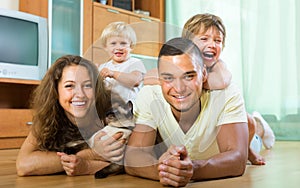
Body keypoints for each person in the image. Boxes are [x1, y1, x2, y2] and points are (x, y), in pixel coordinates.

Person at [125, 37, 249, 187]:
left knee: (254, 137)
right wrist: (165, 170)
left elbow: (238, 159)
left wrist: (192, 169)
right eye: (168, 78)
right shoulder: (149, 95)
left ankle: (256, 126)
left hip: (241, 139)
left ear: (204, 74)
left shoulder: (227, 94)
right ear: (159, 78)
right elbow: (133, 156)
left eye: (189, 76)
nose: (179, 88)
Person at [182, 13, 275, 165]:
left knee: (249, 122)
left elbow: (222, 80)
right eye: (204, 39)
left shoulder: (218, 66)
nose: (212, 44)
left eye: (217, 41)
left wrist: (196, 82)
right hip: (208, 133)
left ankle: (259, 132)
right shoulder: (179, 63)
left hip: (240, 135)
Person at [16, 55, 126, 176]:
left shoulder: (113, 107)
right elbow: (24, 165)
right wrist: (88, 155)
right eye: (69, 86)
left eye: (88, 85)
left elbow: (131, 162)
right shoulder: (49, 114)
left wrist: (87, 167)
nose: (80, 94)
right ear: (55, 91)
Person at [98, 21, 146, 103]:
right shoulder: (103, 67)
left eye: (123, 43)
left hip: (130, 110)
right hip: (109, 109)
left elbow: (135, 81)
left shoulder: (135, 63)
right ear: (105, 47)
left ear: (131, 46)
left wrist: (113, 74)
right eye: (113, 43)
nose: (118, 47)